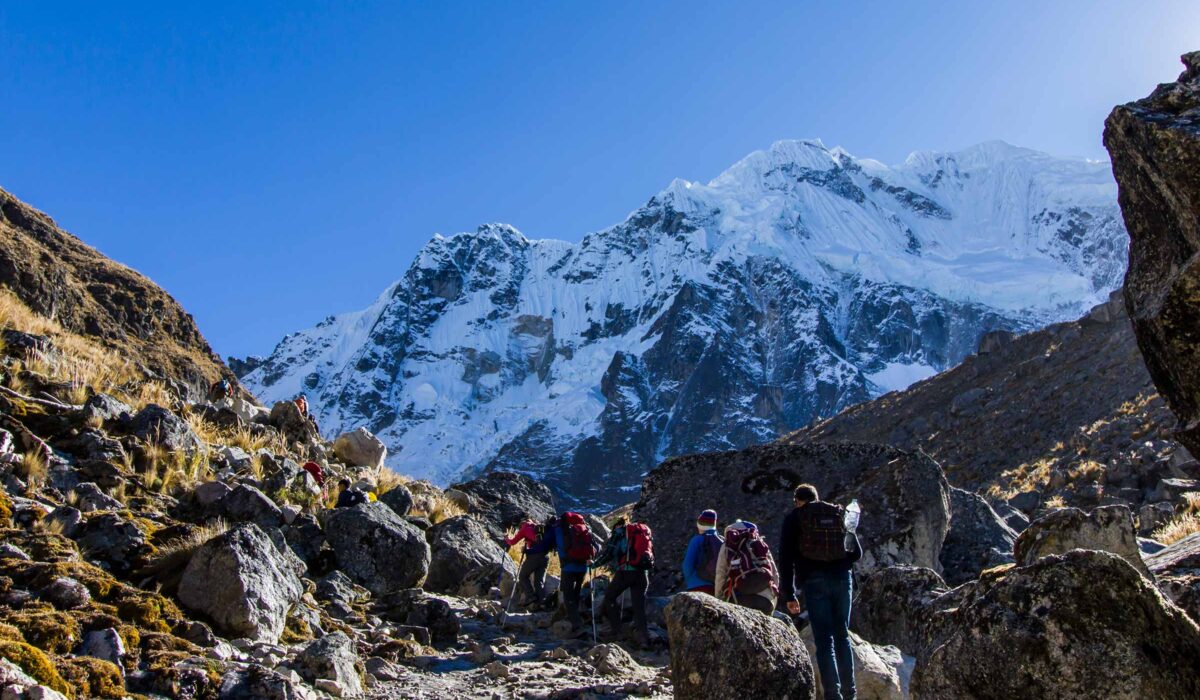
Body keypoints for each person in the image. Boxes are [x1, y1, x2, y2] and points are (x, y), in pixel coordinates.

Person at [779, 484, 862, 700]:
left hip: (814, 582)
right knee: (842, 636)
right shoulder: (837, 512)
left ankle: (833, 696)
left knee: (824, 641)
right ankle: (850, 694)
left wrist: (789, 594)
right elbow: (856, 553)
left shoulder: (795, 518)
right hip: (843, 579)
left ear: (797, 500)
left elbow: (785, 559)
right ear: (817, 498)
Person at [593, 518, 654, 646]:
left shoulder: (620, 532)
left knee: (610, 598)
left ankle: (617, 632)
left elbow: (609, 554)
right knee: (639, 606)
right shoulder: (644, 532)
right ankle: (644, 640)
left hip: (626, 572)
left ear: (617, 525)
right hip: (643, 573)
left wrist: (593, 565)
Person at [714, 519, 779, 615]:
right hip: (765, 600)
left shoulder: (728, 545)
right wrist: (774, 599)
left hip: (739, 598)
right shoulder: (760, 545)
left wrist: (718, 599)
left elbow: (721, 573)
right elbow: (774, 573)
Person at [552, 512, 597, 635]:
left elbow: (556, 544)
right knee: (576, 592)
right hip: (583, 568)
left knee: (568, 595)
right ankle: (574, 616)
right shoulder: (585, 531)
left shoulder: (561, 529)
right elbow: (596, 547)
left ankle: (576, 624)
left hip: (568, 567)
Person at [505, 514, 552, 609]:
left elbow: (513, 542)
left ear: (520, 523)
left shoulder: (525, 528)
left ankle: (530, 596)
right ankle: (542, 603)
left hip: (534, 555)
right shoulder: (536, 526)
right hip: (546, 556)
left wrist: (506, 539)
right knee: (538, 581)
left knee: (522, 576)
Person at [681, 509, 722, 594]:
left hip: (696, 585)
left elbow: (687, 564)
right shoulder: (722, 541)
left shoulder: (697, 540)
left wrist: (690, 581)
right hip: (715, 587)